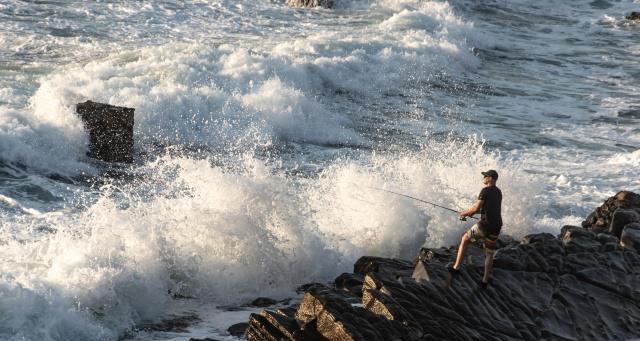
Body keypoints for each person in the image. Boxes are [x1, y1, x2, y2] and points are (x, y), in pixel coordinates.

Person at [449, 169, 503, 288]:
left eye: (485, 176)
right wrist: (468, 212)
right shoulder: (498, 192)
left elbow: (475, 209)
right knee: (489, 253)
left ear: (490, 178)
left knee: (465, 239)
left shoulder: (485, 190)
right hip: (497, 226)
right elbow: (486, 209)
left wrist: (464, 213)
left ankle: (456, 267)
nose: (483, 178)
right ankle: (485, 280)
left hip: (485, 225)